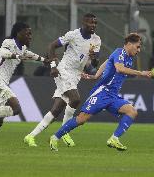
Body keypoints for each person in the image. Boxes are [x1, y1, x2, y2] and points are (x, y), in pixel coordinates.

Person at [49, 33, 152, 152]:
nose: (139, 50)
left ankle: (114, 139)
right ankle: (55, 137)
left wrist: (95, 75)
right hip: (102, 92)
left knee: (132, 111)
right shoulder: (120, 52)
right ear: (129, 44)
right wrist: (141, 73)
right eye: (137, 46)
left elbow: (107, 61)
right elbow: (119, 68)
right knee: (82, 119)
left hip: (113, 95)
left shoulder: (128, 57)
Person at [24, 13, 101, 147]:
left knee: (57, 109)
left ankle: (30, 136)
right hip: (64, 70)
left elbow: (94, 64)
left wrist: (94, 58)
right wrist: (53, 66)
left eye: (95, 23)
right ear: (83, 23)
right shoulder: (73, 35)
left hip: (76, 75)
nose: (93, 25)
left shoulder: (96, 40)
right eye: (90, 23)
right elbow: (51, 46)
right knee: (75, 99)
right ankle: (64, 133)